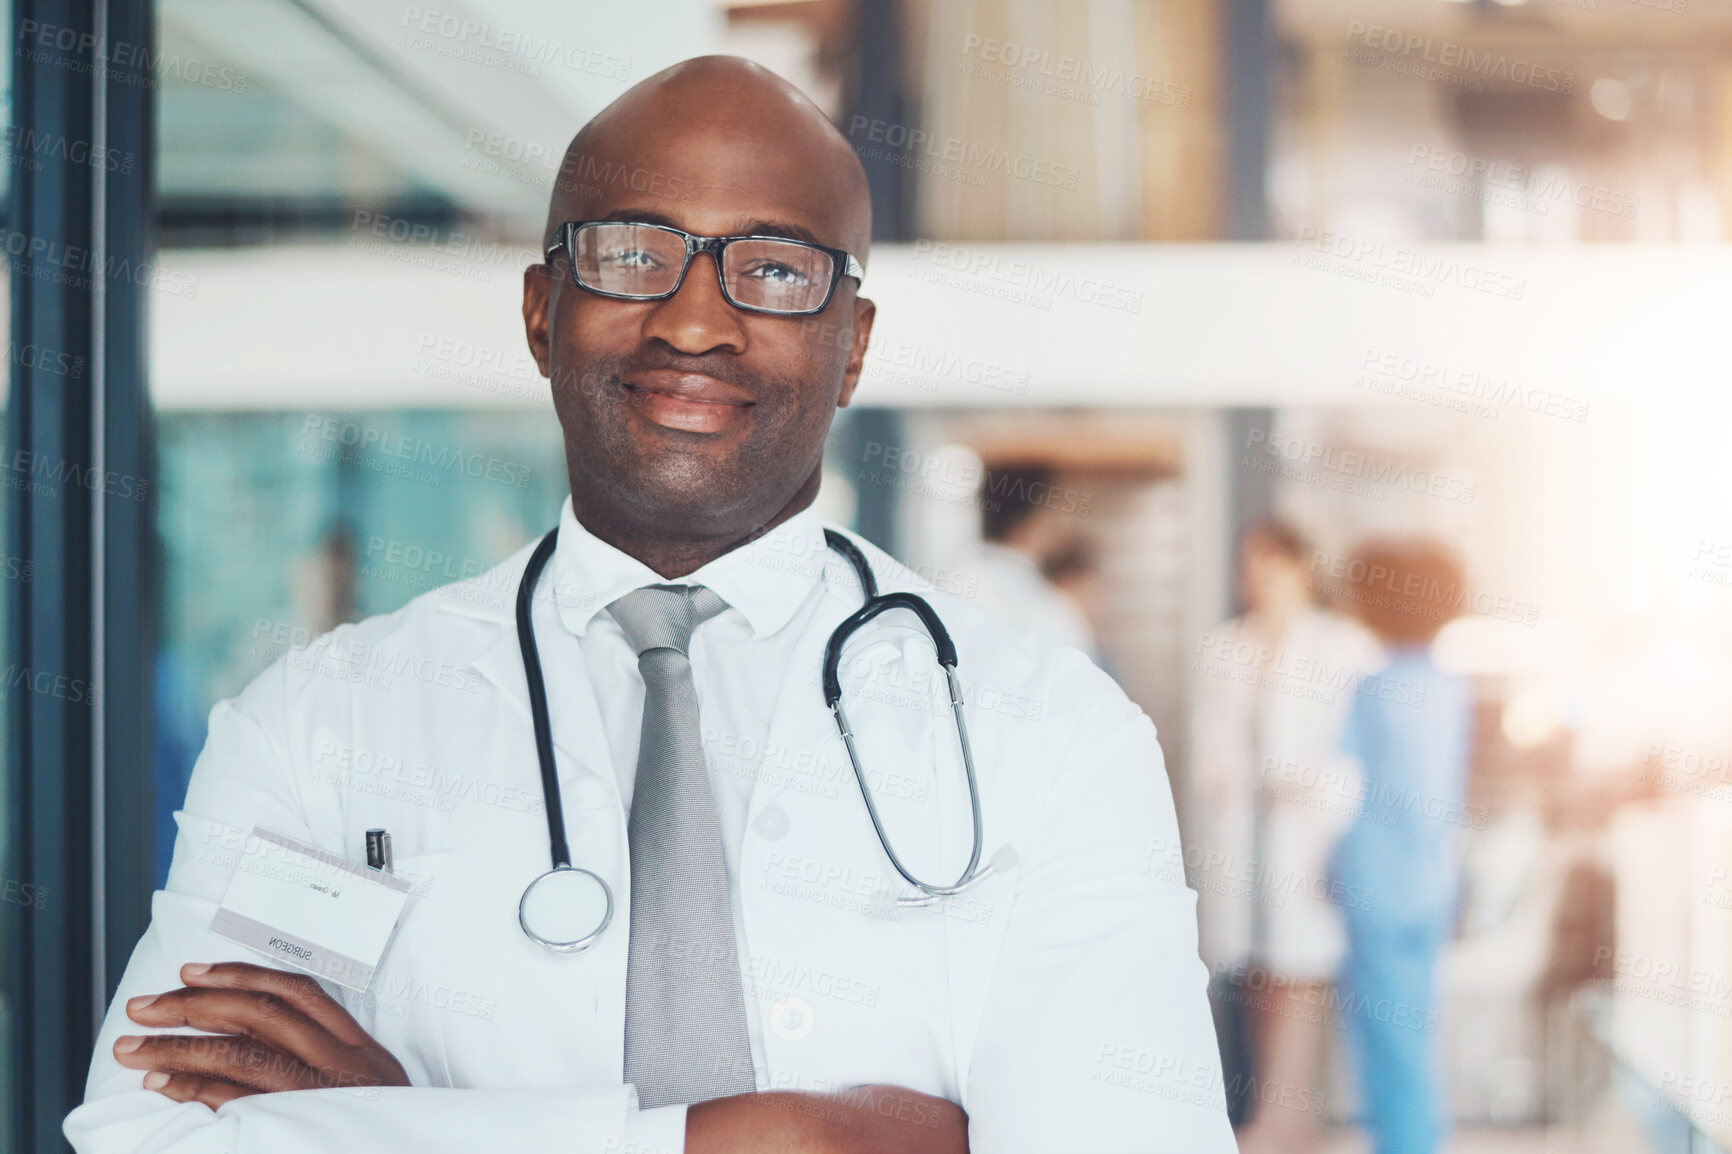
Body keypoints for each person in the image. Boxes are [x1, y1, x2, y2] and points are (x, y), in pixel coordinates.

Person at [66, 57, 1233, 1154]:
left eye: (774, 268)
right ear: (540, 310)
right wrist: (786, 1135)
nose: (692, 321)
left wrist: (403, 1123)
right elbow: (149, 1129)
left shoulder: (1053, 733)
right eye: (633, 253)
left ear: (854, 345)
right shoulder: (321, 724)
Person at [1189, 519, 1379, 1153]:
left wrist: (1310, 786)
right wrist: (1239, 778)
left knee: (1301, 974)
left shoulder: (1343, 646)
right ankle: (1271, 1116)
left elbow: (1357, 757)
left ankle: (1284, 1121)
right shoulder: (1227, 646)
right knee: (1255, 975)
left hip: (1307, 839)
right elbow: (1210, 749)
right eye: (1251, 565)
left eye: (1272, 564)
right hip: (1244, 838)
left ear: (1302, 567)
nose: (1259, 579)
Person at [1328, 538, 1473, 1154]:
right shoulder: (1449, 687)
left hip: (1378, 882)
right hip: (1431, 883)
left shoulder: (1377, 687)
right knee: (1412, 1033)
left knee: (1385, 1039)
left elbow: (1360, 787)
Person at [968, 464, 1100, 660]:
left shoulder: (948, 586)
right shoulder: (1050, 611)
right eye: (1054, 511)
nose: (1062, 524)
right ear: (1025, 521)